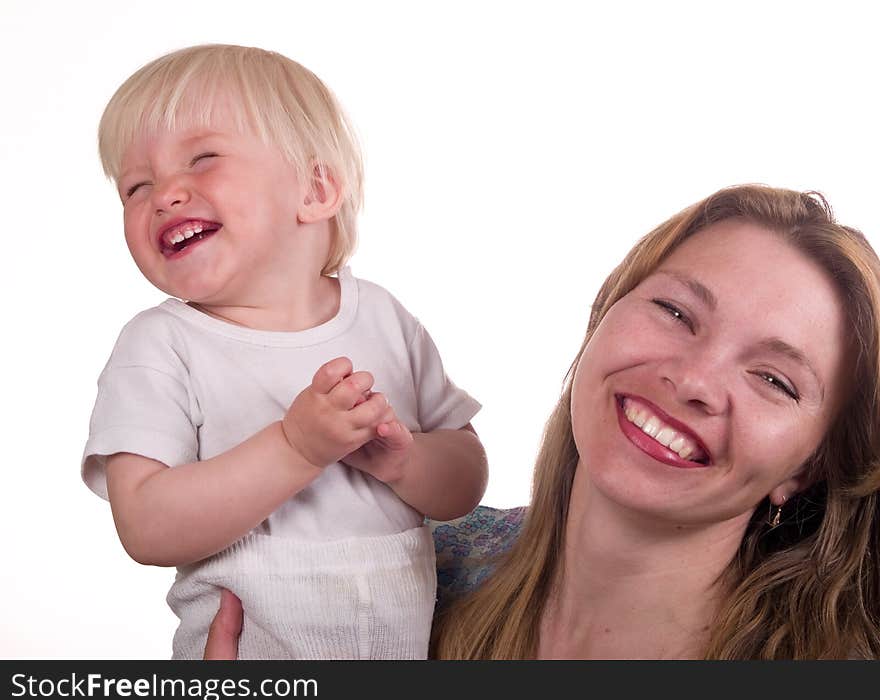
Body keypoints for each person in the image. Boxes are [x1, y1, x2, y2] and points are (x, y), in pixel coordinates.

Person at [205, 184, 880, 660]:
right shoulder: (404, 569)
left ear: (810, 466)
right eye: (675, 312)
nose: (695, 381)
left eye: (772, 379)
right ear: (602, 319)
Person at [81, 44, 488, 660]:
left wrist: (404, 464)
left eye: (203, 158)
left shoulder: (382, 316)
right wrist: (296, 448)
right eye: (136, 186)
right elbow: (144, 525)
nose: (163, 195)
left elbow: (465, 482)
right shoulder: (159, 343)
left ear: (315, 188)